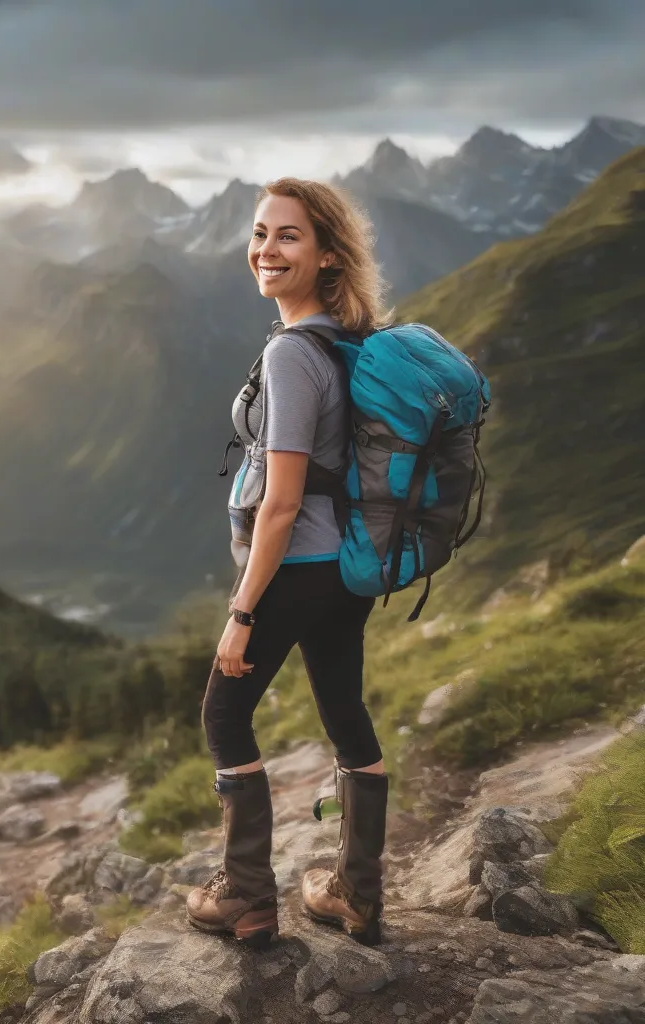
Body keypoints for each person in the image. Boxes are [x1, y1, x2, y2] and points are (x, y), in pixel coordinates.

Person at [185, 178, 394, 948]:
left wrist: (242, 614)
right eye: (260, 233)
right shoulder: (348, 338)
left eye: (288, 237)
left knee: (223, 711)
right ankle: (357, 894)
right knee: (344, 710)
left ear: (327, 255)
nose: (265, 250)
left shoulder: (292, 354)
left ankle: (244, 894)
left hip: (299, 564)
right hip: (343, 566)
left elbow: (279, 500)